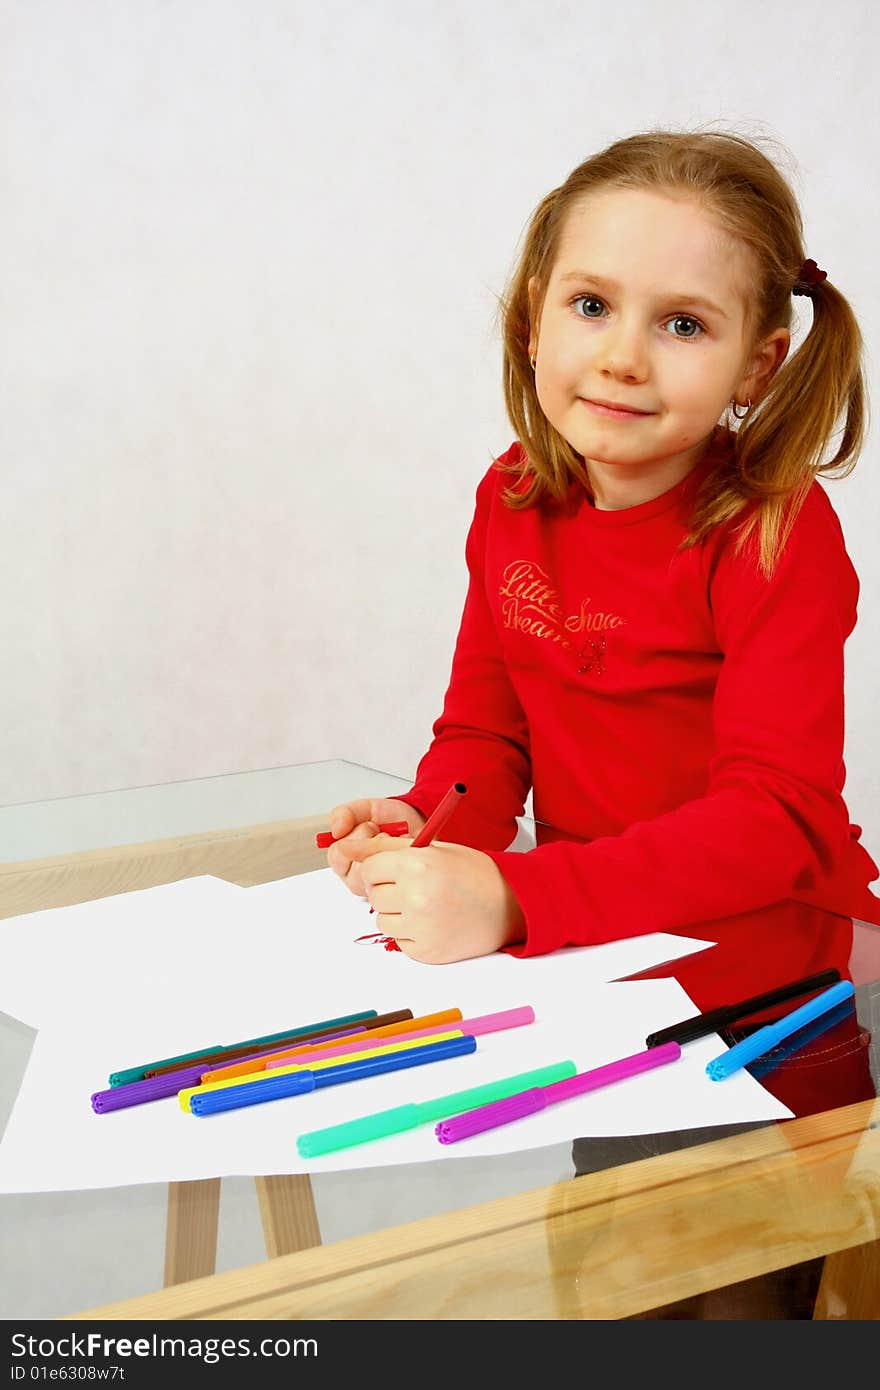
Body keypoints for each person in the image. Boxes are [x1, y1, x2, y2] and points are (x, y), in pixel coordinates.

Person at [325, 126, 880, 967]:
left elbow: (779, 819)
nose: (622, 358)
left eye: (684, 325)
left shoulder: (773, 531)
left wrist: (519, 897)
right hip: (601, 935)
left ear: (757, 368)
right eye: (592, 307)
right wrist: (433, 815)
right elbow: (488, 735)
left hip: (778, 950)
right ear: (532, 323)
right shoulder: (512, 499)